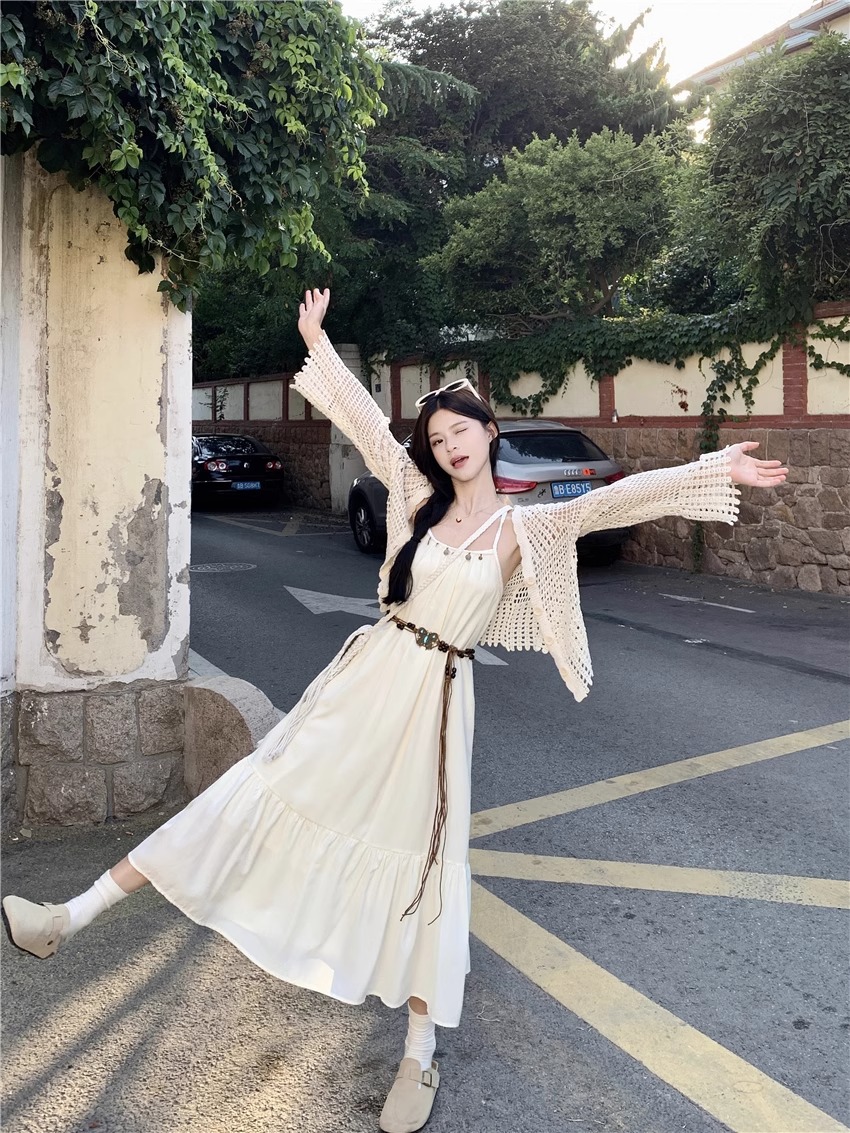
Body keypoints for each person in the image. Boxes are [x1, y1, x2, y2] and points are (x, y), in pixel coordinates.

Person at [2, 288, 788, 1133]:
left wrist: (713, 471)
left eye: (461, 432)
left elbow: (617, 502)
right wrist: (318, 340)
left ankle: (418, 1053)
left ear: (491, 431)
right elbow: (363, 423)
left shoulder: (525, 531)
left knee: (426, 867)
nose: (450, 448)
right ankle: (68, 915)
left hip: (439, 704)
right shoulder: (417, 498)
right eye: (438, 439)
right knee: (248, 795)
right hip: (365, 678)